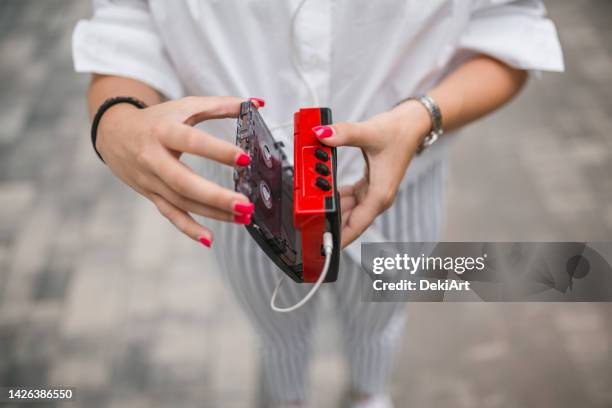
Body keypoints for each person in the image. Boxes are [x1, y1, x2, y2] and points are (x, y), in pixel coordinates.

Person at [72, 1, 563, 407]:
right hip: (245, 198)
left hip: (404, 187)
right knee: (275, 337)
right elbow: (127, 25)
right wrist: (116, 122)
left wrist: (422, 118)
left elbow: (510, 30)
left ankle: (369, 394)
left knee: (381, 325)